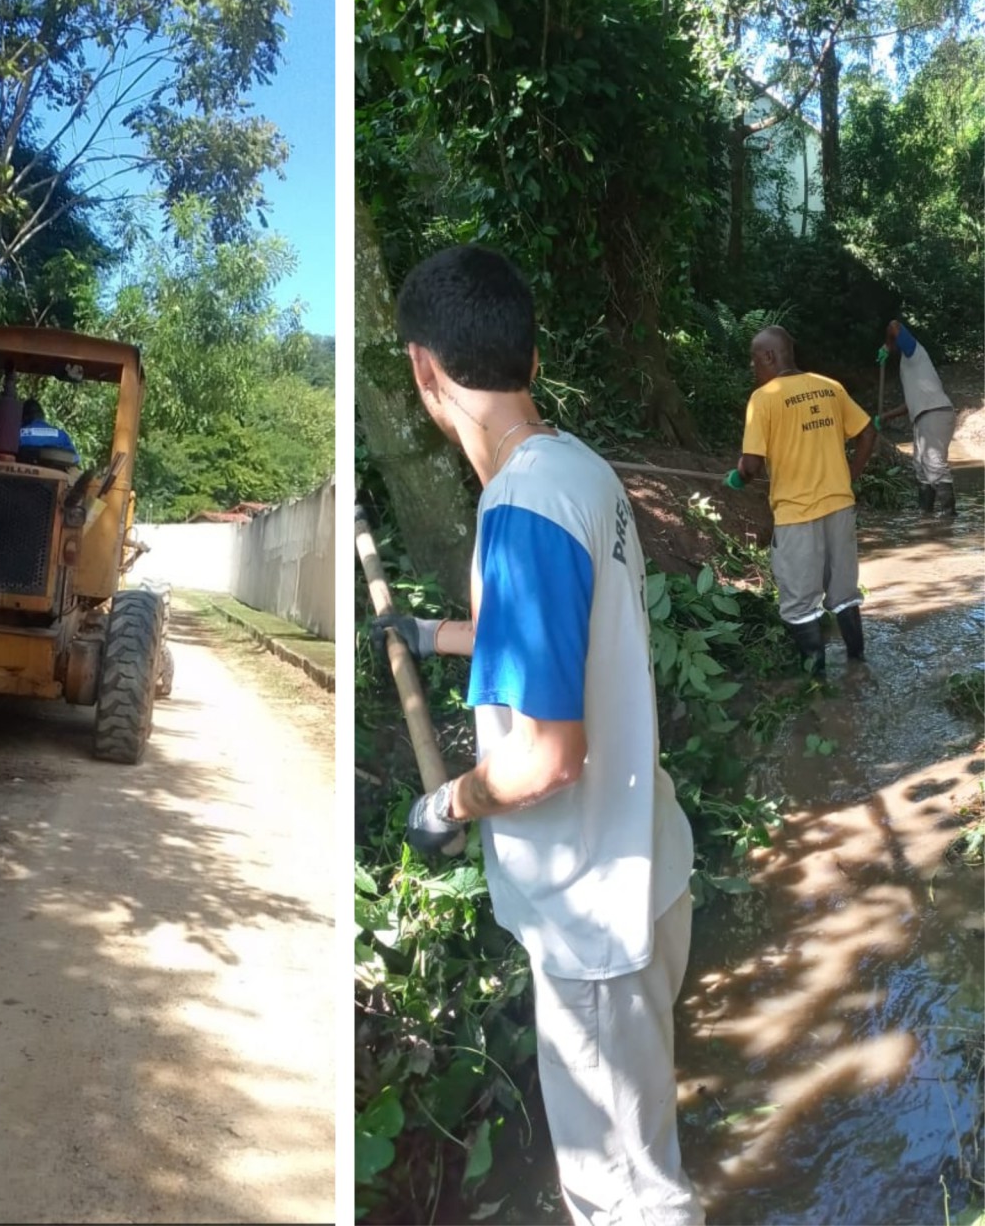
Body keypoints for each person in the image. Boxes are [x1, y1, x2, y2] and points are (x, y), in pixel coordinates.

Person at [374, 245, 704, 1226]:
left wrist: (450, 799)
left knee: (628, 1198)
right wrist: (430, 635)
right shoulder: (575, 470)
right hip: (648, 864)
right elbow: (568, 636)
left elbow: (548, 757)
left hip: (590, 908)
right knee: (641, 1160)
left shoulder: (518, 509)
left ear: (422, 368)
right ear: (528, 352)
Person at [724, 325, 876, 672]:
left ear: (769, 356)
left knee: (799, 604)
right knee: (844, 594)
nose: (753, 368)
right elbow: (868, 433)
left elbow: (751, 465)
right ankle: (858, 668)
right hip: (840, 507)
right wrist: (848, 477)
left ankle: (815, 689)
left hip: (797, 516)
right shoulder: (830, 387)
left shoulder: (764, 398)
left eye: (754, 360)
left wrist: (738, 477)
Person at [873, 320, 957, 518]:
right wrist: (884, 416)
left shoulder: (914, 352)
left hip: (934, 413)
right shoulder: (910, 366)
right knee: (921, 467)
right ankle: (925, 515)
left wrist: (887, 344)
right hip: (925, 415)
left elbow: (893, 325)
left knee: (934, 464)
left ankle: (949, 516)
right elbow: (910, 403)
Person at [19, 398, 79, 464]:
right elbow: (75, 458)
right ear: (42, 416)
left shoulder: (16, 435)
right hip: (55, 472)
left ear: (22, 417)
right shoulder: (60, 435)